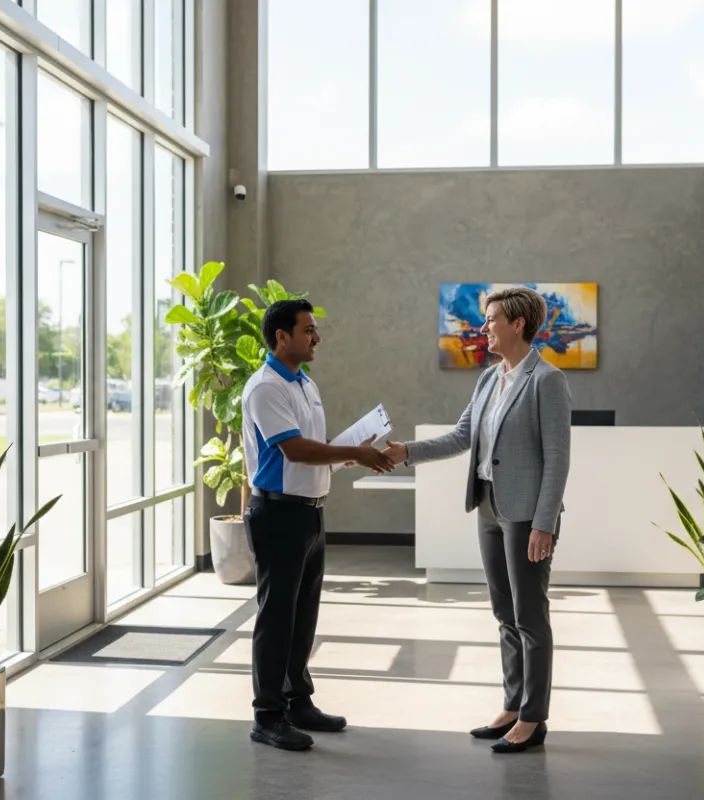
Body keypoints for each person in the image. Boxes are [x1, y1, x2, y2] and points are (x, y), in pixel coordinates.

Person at [384, 287, 571, 754]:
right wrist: (405, 452)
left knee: (530, 615)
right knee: (504, 614)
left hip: (527, 515)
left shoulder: (547, 380)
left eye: (490, 320)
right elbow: (462, 436)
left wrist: (544, 523)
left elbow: (558, 459)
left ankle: (533, 717)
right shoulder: (490, 378)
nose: (483, 327)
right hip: (488, 505)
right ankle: (512, 704)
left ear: (518, 325)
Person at [242, 298, 395, 751]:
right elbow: (294, 450)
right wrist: (353, 453)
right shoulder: (266, 387)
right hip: (278, 513)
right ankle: (267, 715)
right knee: (276, 616)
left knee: (302, 614)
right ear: (281, 336)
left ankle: (297, 702)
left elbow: (314, 448)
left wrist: (352, 451)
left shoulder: (304, 383)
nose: (316, 338)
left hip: (308, 510)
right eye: (308, 330)